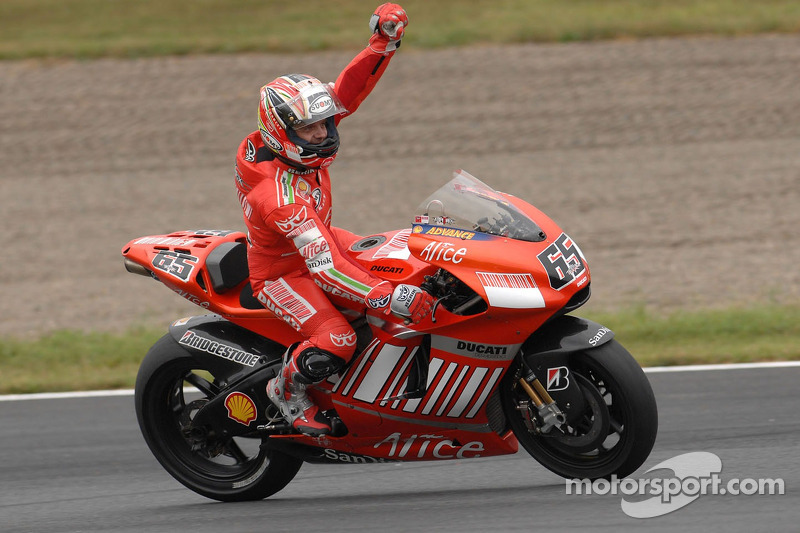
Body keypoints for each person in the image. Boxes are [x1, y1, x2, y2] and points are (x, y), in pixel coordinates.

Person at [234, 3, 434, 437]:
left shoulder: (297, 133)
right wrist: (386, 297)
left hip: (319, 235)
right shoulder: (279, 196)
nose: (324, 133)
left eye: (324, 123)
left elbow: (347, 92)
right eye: (311, 130)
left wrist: (384, 42)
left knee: (401, 258)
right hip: (282, 270)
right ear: (281, 133)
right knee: (339, 339)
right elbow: (323, 266)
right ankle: (286, 390)